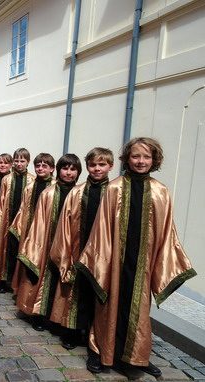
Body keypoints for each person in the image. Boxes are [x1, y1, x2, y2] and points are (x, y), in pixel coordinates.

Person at [76, 137, 196, 377]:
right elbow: (101, 229)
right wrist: (101, 262)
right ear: (127, 159)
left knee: (139, 309)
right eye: (135, 156)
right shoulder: (114, 188)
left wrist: (165, 263)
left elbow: (166, 232)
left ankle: (136, 358)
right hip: (114, 263)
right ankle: (100, 352)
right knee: (108, 307)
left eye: (146, 157)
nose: (141, 161)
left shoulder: (161, 192)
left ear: (154, 160)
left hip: (144, 263)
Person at [49, 148, 114, 350]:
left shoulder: (114, 192)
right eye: (93, 165)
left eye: (101, 165)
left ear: (110, 166)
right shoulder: (77, 192)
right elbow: (65, 224)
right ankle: (73, 331)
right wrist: (65, 252)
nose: (96, 169)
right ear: (87, 167)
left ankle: (94, 334)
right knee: (76, 294)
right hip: (78, 250)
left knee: (98, 294)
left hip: (104, 255)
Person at [15, 154, 81, 331]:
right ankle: (40, 314)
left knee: (64, 286)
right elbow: (38, 222)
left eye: (72, 169)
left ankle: (59, 318)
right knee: (44, 280)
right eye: (65, 168)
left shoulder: (80, 194)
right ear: (58, 170)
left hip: (70, 247)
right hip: (47, 244)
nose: (68, 173)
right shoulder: (48, 193)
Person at [9, 153, 56, 295]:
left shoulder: (55, 187)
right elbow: (23, 208)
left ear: (52, 169)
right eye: (38, 166)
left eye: (44, 166)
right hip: (29, 229)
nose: (40, 168)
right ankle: (24, 291)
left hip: (47, 230)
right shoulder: (29, 186)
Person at [0, 148, 35, 293]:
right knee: (6, 250)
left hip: (24, 222)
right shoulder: (7, 179)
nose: (19, 164)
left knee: (20, 251)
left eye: (22, 161)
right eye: (16, 161)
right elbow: (1, 202)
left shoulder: (32, 180)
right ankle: (4, 280)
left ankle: (19, 284)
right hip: (7, 220)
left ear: (28, 162)